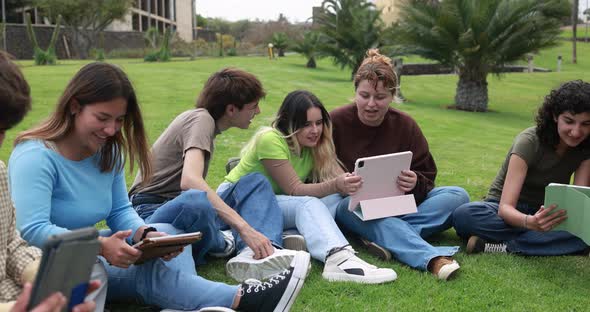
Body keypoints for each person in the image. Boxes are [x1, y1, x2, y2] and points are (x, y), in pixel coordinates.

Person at [9, 62, 310, 311]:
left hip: (88, 249)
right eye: (102, 118)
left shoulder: (109, 151)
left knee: (167, 235)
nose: (112, 130)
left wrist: (147, 235)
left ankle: (206, 301)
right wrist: (100, 245)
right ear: (74, 107)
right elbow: (31, 230)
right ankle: (243, 300)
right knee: (150, 273)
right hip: (45, 263)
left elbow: (119, 210)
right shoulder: (36, 155)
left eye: (119, 120)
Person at [128, 68, 301, 282]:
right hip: (150, 210)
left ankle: (259, 252)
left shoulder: (206, 124)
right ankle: (224, 242)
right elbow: (190, 181)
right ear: (231, 109)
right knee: (196, 200)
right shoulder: (201, 120)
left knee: (255, 182)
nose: (257, 111)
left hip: (175, 206)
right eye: (253, 106)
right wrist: (244, 227)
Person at [225, 90, 398, 284]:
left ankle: (293, 238)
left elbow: (340, 179)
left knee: (335, 199)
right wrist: (335, 185)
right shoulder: (271, 139)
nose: (315, 130)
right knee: (307, 204)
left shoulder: (314, 146)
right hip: (237, 202)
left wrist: (356, 184)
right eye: (306, 124)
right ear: (288, 122)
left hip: (272, 208)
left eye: (318, 123)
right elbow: (295, 190)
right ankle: (338, 260)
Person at [328, 49, 470, 280]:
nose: (371, 104)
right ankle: (432, 259)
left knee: (458, 195)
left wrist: (415, 181)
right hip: (357, 207)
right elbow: (316, 170)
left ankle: (383, 236)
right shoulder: (335, 121)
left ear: (393, 96)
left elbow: (428, 176)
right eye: (364, 96)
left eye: (380, 97)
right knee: (346, 208)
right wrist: (341, 183)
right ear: (355, 92)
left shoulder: (406, 125)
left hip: (399, 205)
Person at [0, 51, 98, 312]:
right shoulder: (36, 155)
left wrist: (45, 278)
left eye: (1, 131)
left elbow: (11, 245)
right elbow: (33, 227)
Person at [452, 80, 590, 255]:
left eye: (586, 124)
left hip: (545, 213)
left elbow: (580, 205)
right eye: (569, 121)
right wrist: (530, 223)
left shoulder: (585, 149)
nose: (576, 132)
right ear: (555, 116)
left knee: (584, 232)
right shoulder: (529, 141)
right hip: (505, 210)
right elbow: (505, 208)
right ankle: (541, 242)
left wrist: (567, 225)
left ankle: (501, 246)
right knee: (464, 215)